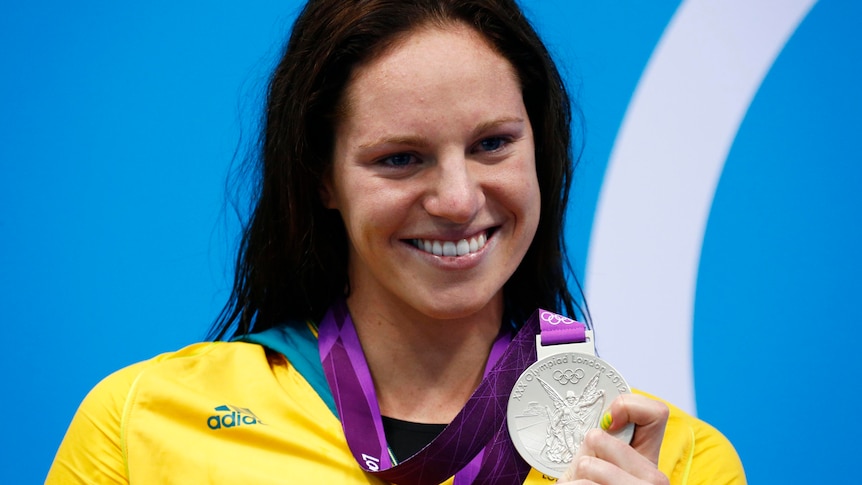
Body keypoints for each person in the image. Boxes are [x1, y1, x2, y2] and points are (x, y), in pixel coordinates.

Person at [46, 0, 746, 483]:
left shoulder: (669, 459)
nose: (458, 199)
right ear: (321, 176)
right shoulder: (139, 423)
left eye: (493, 144)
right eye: (399, 158)